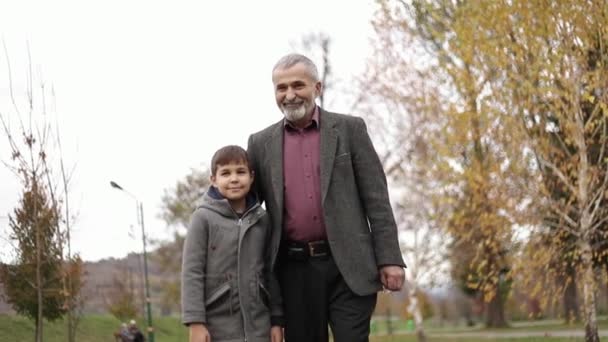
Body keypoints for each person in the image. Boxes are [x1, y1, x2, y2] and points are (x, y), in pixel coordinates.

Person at [247, 53, 406, 342]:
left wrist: (390, 258)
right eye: (281, 88)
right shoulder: (259, 144)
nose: (290, 95)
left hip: (350, 268)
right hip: (293, 272)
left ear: (317, 88)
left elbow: (377, 198)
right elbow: (247, 210)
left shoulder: (350, 129)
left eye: (298, 85)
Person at [181, 145, 283, 342]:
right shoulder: (202, 218)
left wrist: (276, 320)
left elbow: (272, 272)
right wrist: (195, 322)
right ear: (213, 180)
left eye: (241, 172)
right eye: (225, 173)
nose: (234, 179)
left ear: (252, 177)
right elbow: (192, 273)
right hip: (218, 329)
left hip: (259, 328)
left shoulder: (263, 220)